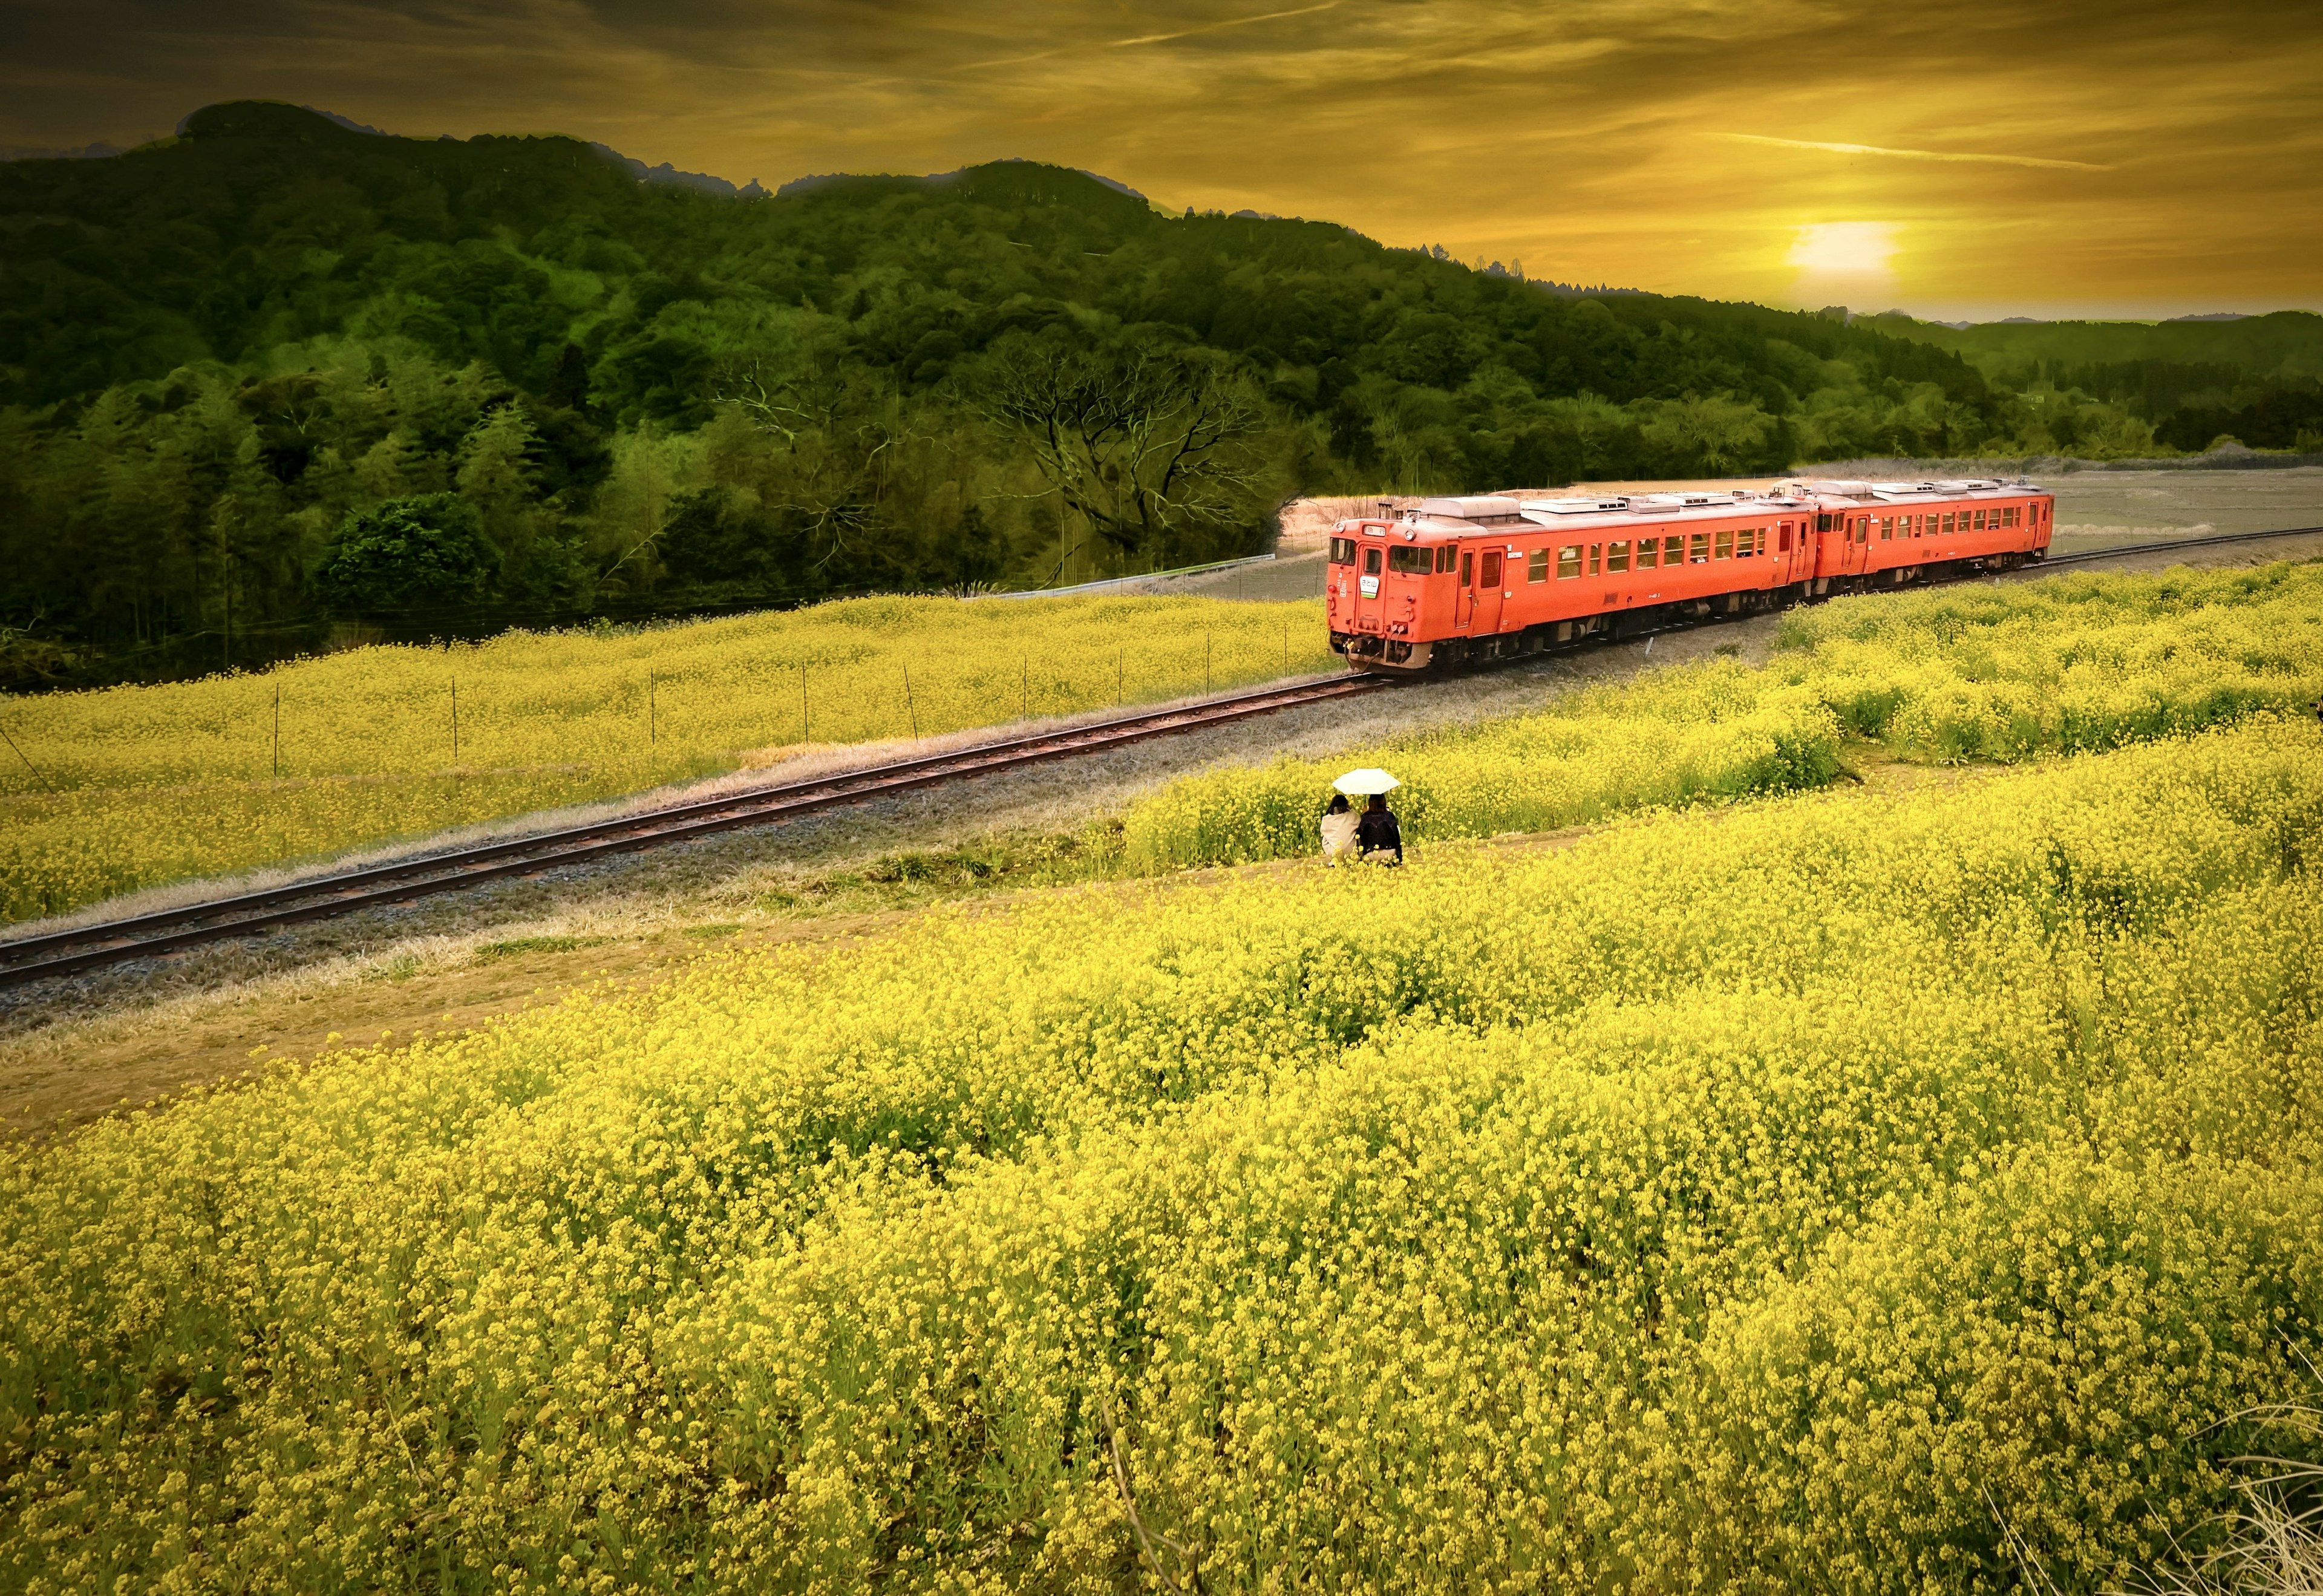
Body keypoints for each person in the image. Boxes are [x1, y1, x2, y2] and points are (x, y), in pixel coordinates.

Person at [1355, 792, 1403, 866]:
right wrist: (1399, 859)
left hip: (1371, 856)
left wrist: (1360, 859)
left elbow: (1359, 838)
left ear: (1370, 803)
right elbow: (1396, 837)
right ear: (1384, 802)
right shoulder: (1389, 816)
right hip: (1390, 854)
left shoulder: (1365, 818)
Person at [1320, 793, 1358, 866]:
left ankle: (1334, 860)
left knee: (1326, 837)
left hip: (1334, 852)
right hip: (1352, 852)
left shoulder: (1326, 819)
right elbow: (1360, 823)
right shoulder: (1353, 815)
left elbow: (1323, 831)